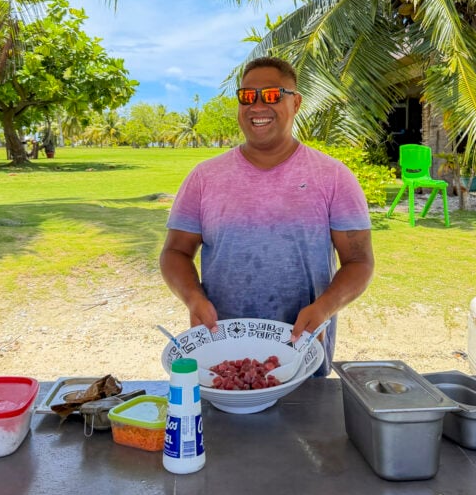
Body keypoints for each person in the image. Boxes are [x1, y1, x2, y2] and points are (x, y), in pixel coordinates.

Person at [159, 56, 374, 374]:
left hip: (300, 355)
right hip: (221, 353)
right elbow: (175, 251)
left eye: (272, 95)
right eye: (247, 96)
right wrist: (193, 297)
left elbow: (359, 262)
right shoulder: (204, 178)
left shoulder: (333, 177)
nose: (257, 106)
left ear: (296, 103)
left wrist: (326, 307)